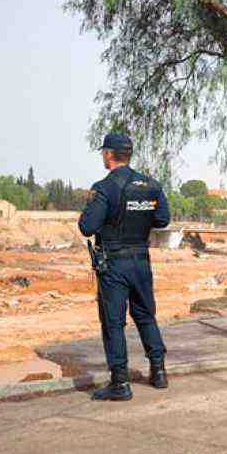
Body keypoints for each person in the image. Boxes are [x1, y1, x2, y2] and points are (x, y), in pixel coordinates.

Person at [78, 131, 172, 401]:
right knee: (145, 316)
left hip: (114, 264)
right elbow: (162, 220)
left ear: (109, 154)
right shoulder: (151, 185)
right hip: (141, 262)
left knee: (114, 323)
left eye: (103, 153)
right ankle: (159, 372)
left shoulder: (105, 187)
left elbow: (87, 227)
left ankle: (120, 383)